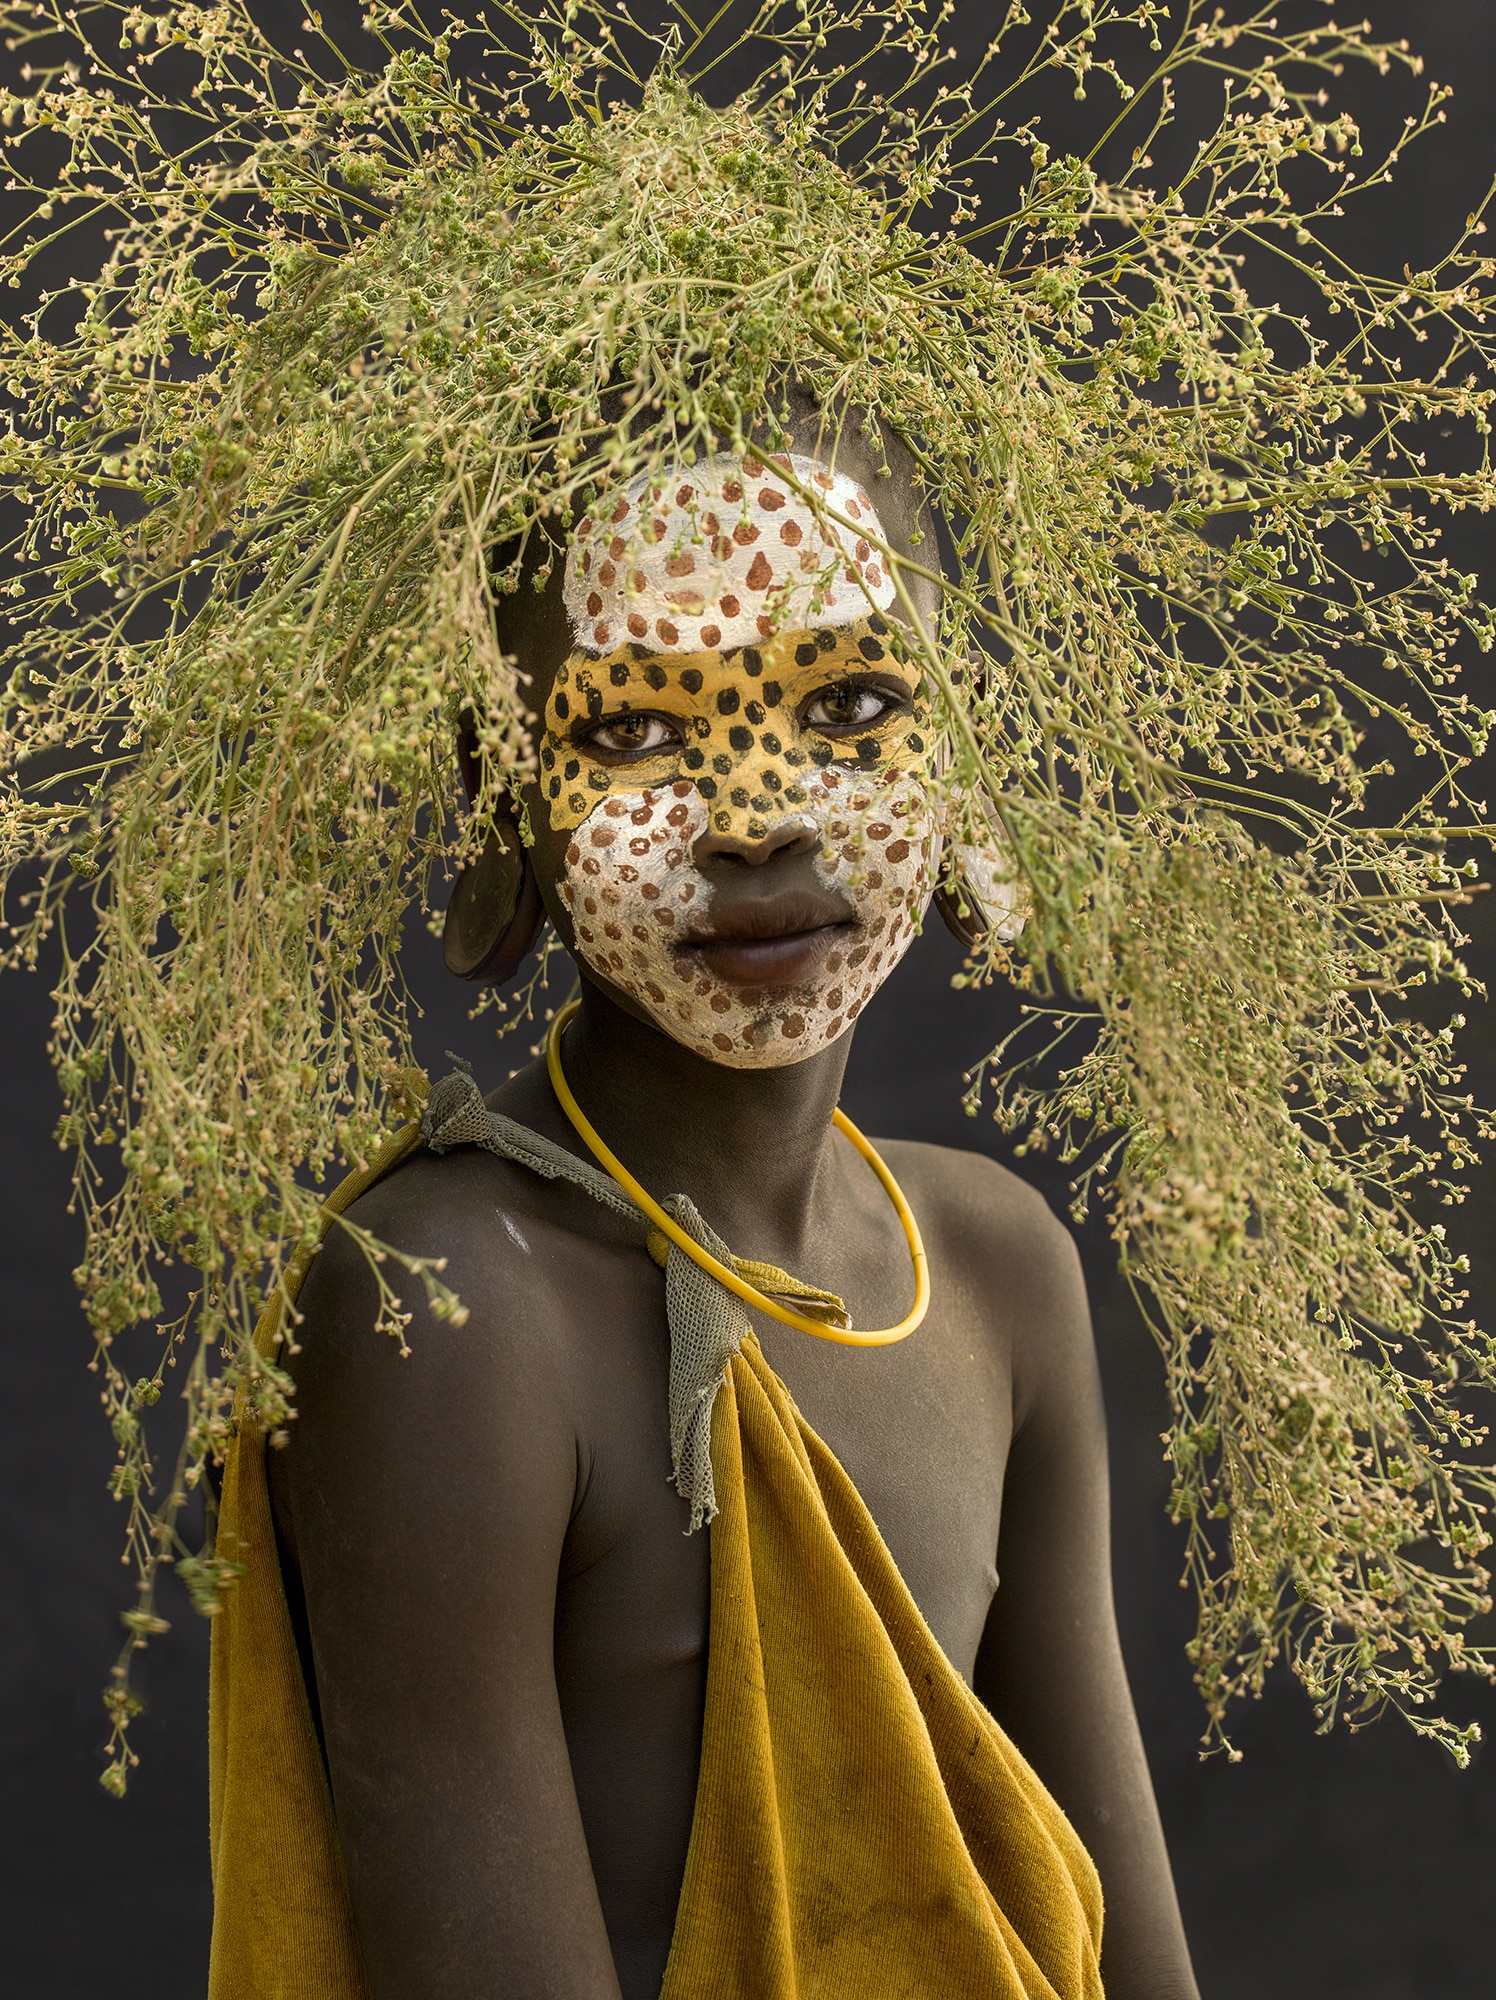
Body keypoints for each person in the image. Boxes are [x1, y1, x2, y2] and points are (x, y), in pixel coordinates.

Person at [237, 412, 1201, 1998]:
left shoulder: (994, 1267)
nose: (758, 813)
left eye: (856, 703)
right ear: (507, 801)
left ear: (965, 752)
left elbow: (1110, 1942)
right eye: (632, 732)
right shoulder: (448, 1304)